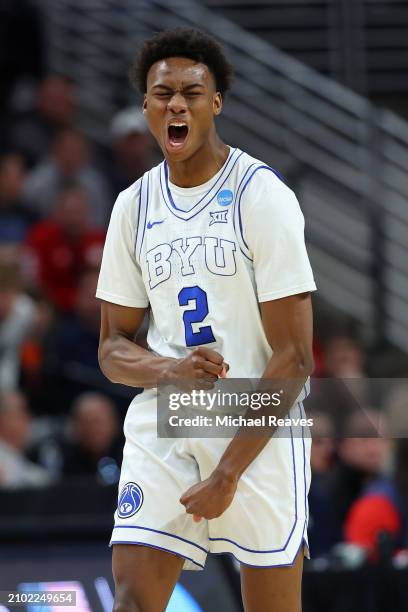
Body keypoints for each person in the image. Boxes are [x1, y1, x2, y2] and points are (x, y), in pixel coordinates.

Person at [97, 28, 316, 612]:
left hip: (257, 425)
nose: (175, 103)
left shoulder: (261, 195)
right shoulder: (132, 207)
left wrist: (227, 474)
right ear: (145, 106)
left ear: (215, 102)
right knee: (132, 602)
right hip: (168, 416)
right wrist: (167, 370)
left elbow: (295, 358)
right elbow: (112, 347)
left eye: (191, 92)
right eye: (161, 92)